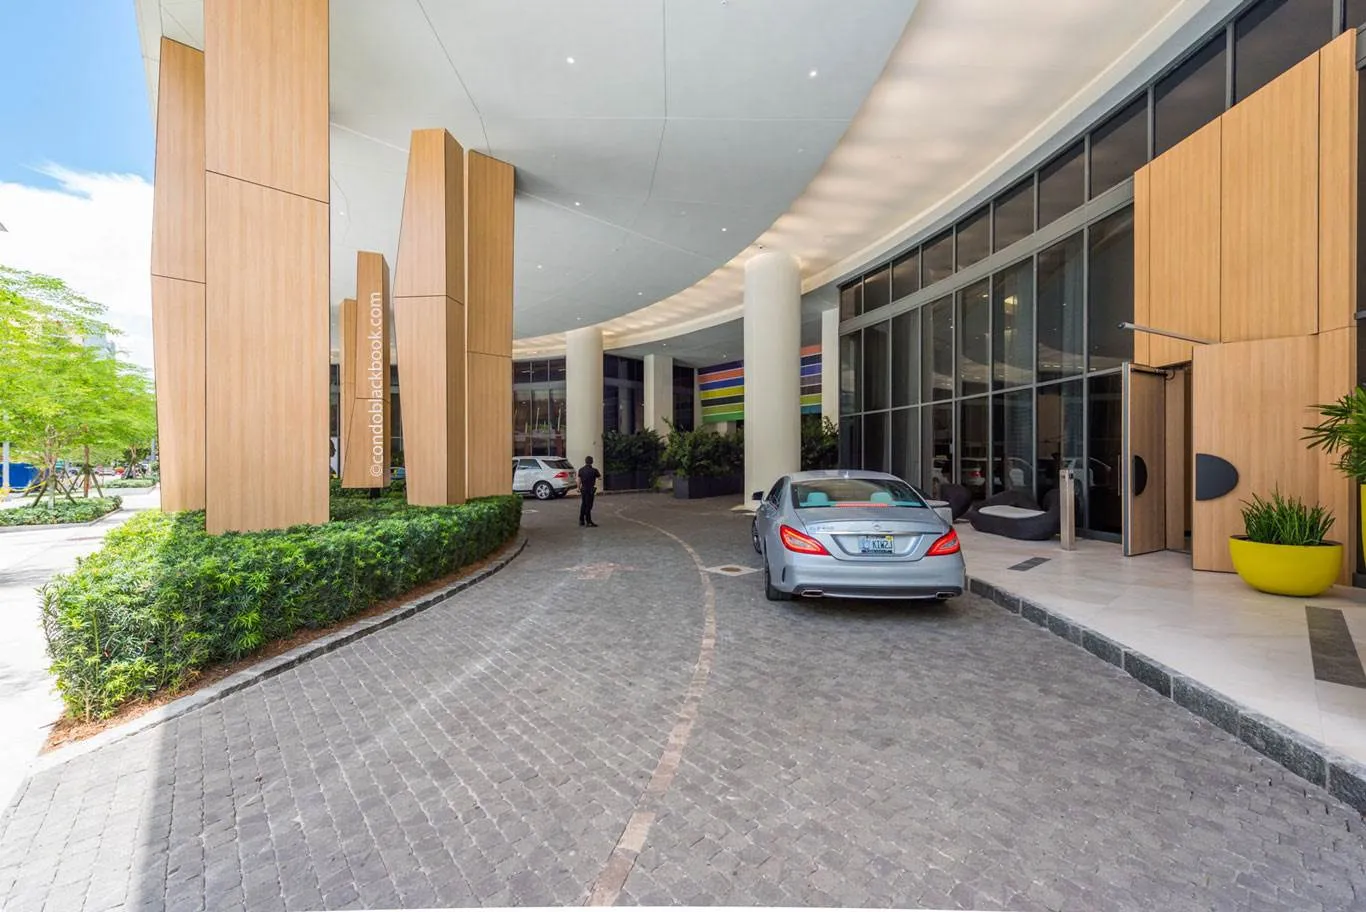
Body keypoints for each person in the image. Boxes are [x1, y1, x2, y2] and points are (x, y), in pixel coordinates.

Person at [577, 455, 601, 527]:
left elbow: (579, 480)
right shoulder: (594, 470)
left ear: (585, 461)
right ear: (592, 462)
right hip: (590, 489)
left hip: (583, 488)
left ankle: (581, 520)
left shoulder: (581, 470)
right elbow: (600, 477)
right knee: (589, 505)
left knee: (583, 504)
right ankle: (588, 521)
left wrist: (578, 488)